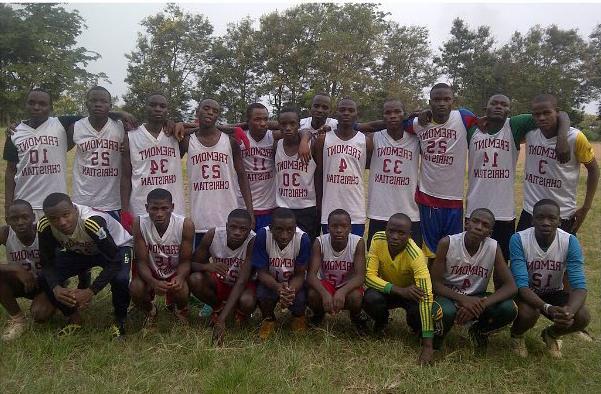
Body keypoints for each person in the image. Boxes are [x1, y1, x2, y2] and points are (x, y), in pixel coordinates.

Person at [466, 94, 570, 261]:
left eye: (504, 104)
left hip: (504, 211)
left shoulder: (514, 125)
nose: (499, 106)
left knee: (502, 260)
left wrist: (562, 138)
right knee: (471, 259)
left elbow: (560, 114)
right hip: (474, 208)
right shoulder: (472, 129)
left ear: (509, 110)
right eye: (494, 103)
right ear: (485, 109)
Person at [37, 193, 132, 337]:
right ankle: (73, 318)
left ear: (75, 209)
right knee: (44, 277)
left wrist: (91, 291)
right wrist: (55, 287)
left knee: (121, 279)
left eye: (66, 215)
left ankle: (120, 320)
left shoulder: (91, 222)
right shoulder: (44, 226)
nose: (61, 222)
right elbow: (46, 262)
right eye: (54, 219)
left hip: (116, 249)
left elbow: (115, 261)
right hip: (80, 250)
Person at [404, 83, 478, 259]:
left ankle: (446, 285)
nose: (442, 103)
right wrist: (416, 113)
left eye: (446, 99)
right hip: (428, 198)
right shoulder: (419, 123)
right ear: (430, 102)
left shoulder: (463, 117)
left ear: (453, 101)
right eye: (437, 100)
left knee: (452, 252)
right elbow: (402, 123)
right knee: (429, 252)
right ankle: (429, 286)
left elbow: (487, 121)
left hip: (454, 199)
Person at [509, 199, 590, 358]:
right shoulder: (519, 239)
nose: (546, 222)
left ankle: (551, 334)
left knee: (582, 317)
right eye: (540, 217)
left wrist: (568, 312)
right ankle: (517, 335)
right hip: (527, 292)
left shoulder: (569, 241)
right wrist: (547, 308)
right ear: (532, 220)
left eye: (552, 218)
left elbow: (579, 286)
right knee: (528, 314)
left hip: (555, 291)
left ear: (559, 221)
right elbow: (521, 286)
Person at [430, 208, 518, 351]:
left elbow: (511, 287)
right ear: (466, 223)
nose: (479, 227)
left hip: (476, 299)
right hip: (449, 296)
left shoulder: (493, 247)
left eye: (485, 225)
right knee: (444, 311)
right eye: (475, 221)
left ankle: (479, 331)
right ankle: (437, 339)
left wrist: (481, 304)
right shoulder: (447, 243)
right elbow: (435, 284)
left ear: (489, 233)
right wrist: (462, 299)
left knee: (509, 308)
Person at [517, 94, 599, 235]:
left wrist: (586, 207)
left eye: (547, 113)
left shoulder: (575, 137)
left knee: (558, 257)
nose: (542, 117)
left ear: (557, 111)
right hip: (530, 211)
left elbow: (594, 170)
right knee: (522, 255)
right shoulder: (530, 133)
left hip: (561, 214)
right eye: (537, 114)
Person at [180, 99, 254, 246]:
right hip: (199, 217)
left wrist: (250, 211)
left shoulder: (230, 141)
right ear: (197, 111)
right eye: (206, 108)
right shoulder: (187, 141)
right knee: (199, 264)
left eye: (215, 111)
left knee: (227, 265)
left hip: (228, 218)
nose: (210, 112)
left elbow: (242, 177)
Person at [363, 213, 435, 365]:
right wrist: (399, 290)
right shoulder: (377, 239)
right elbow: (368, 277)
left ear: (410, 235)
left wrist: (428, 347)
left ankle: (417, 330)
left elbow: (427, 296)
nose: (394, 236)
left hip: (411, 295)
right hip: (390, 291)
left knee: (419, 310)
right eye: (391, 231)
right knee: (370, 298)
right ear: (386, 229)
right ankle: (381, 322)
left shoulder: (416, 255)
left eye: (401, 233)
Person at [188, 209, 256, 345]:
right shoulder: (213, 235)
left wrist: (221, 320)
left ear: (249, 230)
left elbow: (242, 281)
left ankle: (239, 313)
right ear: (226, 226)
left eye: (243, 229)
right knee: (195, 279)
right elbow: (191, 264)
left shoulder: (253, 240)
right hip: (220, 282)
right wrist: (207, 267)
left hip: (243, 286)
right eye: (233, 227)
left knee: (248, 301)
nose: (237, 232)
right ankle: (218, 308)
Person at [130, 189, 194, 327]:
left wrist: (180, 277)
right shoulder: (139, 223)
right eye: (154, 208)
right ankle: (150, 311)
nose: (159, 214)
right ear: (147, 208)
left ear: (172, 207)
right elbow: (141, 261)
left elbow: (185, 261)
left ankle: (180, 309)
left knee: (182, 288)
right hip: (151, 270)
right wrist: (152, 282)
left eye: (164, 208)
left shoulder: (185, 224)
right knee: (135, 288)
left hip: (174, 270)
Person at [121, 93, 185, 221]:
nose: (157, 109)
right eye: (153, 105)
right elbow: (126, 177)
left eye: (162, 106)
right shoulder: (131, 137)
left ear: (167, 110)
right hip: (141, 206)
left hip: (173, 207)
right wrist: (124, 211)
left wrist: (181, 123)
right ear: (146, 108)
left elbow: (205, 128)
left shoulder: (176, 134)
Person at [366, 99, 421, 248]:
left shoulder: (416, 139)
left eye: (397, 112)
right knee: (375, 257)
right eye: (388, 113)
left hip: (409, 210)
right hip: (379, 210)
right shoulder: (374, 138)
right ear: (382, 117)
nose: (392, 116)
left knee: (410, 259)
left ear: (405, 115)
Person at [252, 207, 311, 340]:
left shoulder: (303, 239)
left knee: (301, 298)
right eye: (279, 229)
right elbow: (261, 272)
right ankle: (269, 319)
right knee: (262, 294)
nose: (285, 235)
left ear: (295, 229)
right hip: (271, 281)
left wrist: (290, 291)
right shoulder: (262, 235)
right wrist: (278, 288)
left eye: (290, 230)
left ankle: (298, 317)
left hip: (292, 282)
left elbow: (300, 274)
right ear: (271, 228)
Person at [0, 200, 54, 340]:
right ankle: (18, 320)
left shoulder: (44, 233)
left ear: (33, 217)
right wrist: (14, 268)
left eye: (25, 217)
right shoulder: (5, 233)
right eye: (14, 218)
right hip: (21, 283)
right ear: (7, 220)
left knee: (39, 315)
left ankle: (55, 303)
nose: (20, 222)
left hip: (47, 283)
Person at [306, 209, 366, 331]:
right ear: (327, 228)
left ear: (350, 228)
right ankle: (318, 315)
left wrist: (342, 292)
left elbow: (360, 276)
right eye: (334, 226)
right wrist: (324, 294)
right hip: (327, 284)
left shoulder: (358, 242)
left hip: (347, 285)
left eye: (344, 226)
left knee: (356, 297)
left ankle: (356, 318)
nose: (339, 230)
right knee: (313, 294)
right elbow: (311, 275)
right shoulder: (320, 242)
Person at [71, 86, 124, 220]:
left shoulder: (121, 127)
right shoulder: (76, 127)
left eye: (103, 101)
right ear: (86, 103)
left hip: (113, 201)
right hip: (83, 199)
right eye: (93, 100)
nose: (98, 104)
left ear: (110, 105)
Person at [316, 98, 367, 236]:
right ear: (335, 113)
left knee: (354, 250)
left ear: (357, 114)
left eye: (351, 110)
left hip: (355, 210)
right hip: (329, 209)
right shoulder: (323, 139)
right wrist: (319, 205)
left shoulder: (365, 140)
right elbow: (319, 174)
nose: (346, 113)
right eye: (342, 110)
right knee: (330, 254)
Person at [274, 107, 321, 240]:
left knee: (307, 247)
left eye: (292, 124)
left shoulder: (312, 145)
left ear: (298, 125)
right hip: (282, 206)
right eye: (283, 124)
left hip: (307, 207)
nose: (288, 128)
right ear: (278, 126)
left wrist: (319, 203)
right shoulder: (276, 145)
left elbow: (318, 175)